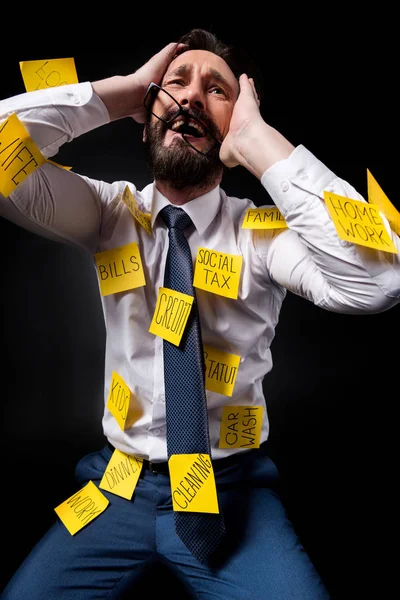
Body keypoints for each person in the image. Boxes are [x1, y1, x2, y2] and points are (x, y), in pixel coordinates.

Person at [0, 27, 399, 600]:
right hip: (116, 487)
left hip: (232, 492)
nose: (189, 96)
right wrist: (120, 93)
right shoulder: (108, 213)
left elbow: (382, 278)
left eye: (216, 90)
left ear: (235, 120)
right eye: (176, 83)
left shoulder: (262, 236)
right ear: (150, 109)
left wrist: (260, 144)